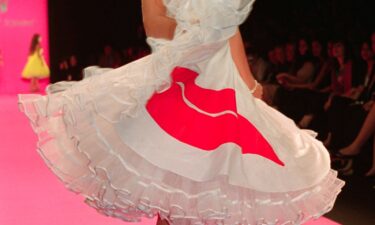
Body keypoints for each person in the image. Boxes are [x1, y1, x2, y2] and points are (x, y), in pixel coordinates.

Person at [18, 0, 344, 224]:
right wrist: (202, 27)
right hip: (180, 83)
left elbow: (232, 32)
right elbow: (156, 29)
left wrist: (250, 86)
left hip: (225, 92)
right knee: (178, 193)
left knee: (221, 195)